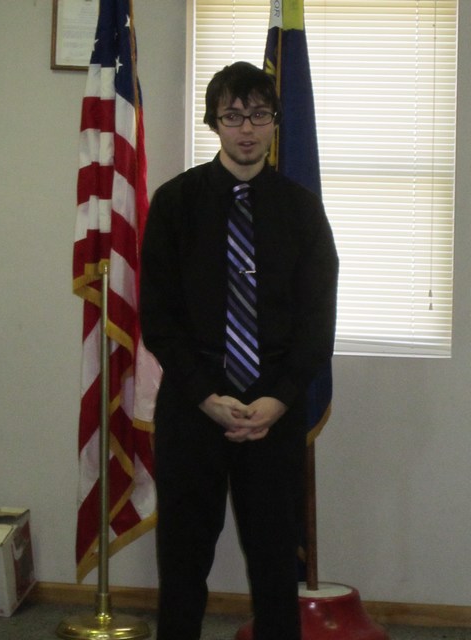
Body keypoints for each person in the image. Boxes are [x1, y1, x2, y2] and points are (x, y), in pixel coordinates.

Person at [140, 61, 338, 640]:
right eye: (232, 116)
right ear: (214, 123)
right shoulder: (175, 203)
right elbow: (158, 318)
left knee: (276, 565)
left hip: (274, 412)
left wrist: (278, 399)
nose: (246, 129)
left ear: (275, 122)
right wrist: (206, 396)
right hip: (193, 408)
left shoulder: (302, 210)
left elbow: (317, 322)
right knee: (182, 564)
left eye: (258, 115)